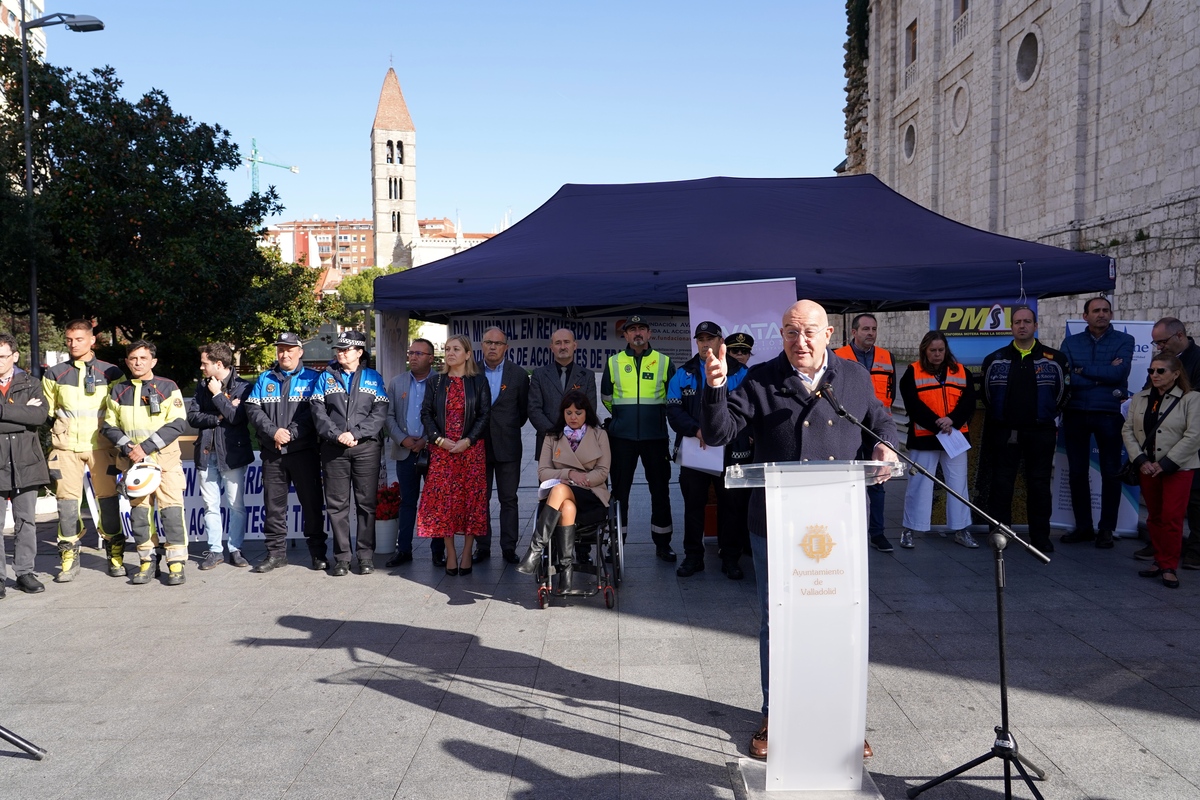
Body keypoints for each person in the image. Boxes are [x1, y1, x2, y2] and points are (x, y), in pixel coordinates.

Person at [701, 300, 898, 762]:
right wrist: (714, 389)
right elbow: (720, 432)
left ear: (829, 333)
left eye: (809, 331)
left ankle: (844, 717)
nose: (800, 340)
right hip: (777, 521)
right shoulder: (762, 378)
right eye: (791, 331)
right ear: (781, 334)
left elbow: (879, 420)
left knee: (838, 617)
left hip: (839, 519)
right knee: (780, 618)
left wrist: (886, 446)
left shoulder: (853, 376)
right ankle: (777, 712)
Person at [980, 306, 1069, 553]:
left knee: (1039, 485)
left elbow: (1062, 394)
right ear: (1011, 327)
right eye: (1017, 322)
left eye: (1027, 321)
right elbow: (987, 395)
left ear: (1035, 325)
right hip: (1005, 431)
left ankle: (1040, 537)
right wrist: (1003, 417)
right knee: (1001, 484)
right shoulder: (995, 359)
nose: (1022, 326)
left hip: (1041, 432)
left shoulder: (1055, 359)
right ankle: (1000, 534)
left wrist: (1046, 415)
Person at [99, 340, 189, 585]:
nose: (137, 363)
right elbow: (109, 425)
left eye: (142, 358)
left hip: (164, 462)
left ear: (153, 361)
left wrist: (146, 447)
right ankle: (147, 562)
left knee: (171, 512)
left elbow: (178, 422)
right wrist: (130, 448)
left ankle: (176, 563)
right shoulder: (118, 391)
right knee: (139, 515)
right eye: (133, 359)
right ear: (127, 362)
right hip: (133, 464)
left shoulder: (168, 387)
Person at [41, 319, 125, 582]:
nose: (73, 344)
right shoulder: (54, 373)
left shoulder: (112, 372)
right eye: (69, 339)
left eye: (79, 339)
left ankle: (115, 552)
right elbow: (47, 411)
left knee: (108, 500)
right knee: (66, 503)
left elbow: (121, 410)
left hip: (102, 447)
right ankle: (68, 556)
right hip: (65, 448)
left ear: (92, 340)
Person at [667, 321, 748, 579]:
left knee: (731, 506)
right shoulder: (684, 373)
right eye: (700, 339)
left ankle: (730, 558)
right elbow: (673, 410)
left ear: (719, 342)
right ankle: (693, 557)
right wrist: (698, 430)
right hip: (695, 452)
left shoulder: (741, 372)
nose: (704, 343)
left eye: (709, 338)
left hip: (731, 451)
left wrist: (719, 433)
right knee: (693, 505)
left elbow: (744, 411)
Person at [245, 332, 327, 572]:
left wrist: (289, 433)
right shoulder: (265, 378)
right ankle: (276, 554)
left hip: (303, 452)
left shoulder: (314, 378)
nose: (284, 353)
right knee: (273, 507)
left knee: (311, 505)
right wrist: (274, 432)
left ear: (300, 352)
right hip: (273, 453)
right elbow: (253, 409)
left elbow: (314, 413)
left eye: (290, 349)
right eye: (281, 349)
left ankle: (318, 554)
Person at [311, 331, 390, 576]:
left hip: (365, 448)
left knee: (366, 504)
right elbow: (317, 411)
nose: (340, 353)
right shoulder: (326, 377)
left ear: (359, 352)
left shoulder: (373, 377)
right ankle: (342, 558)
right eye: (338, 349)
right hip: (334, 448)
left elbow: (379, 412)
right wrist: (337, 435)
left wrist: (355, 433)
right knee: (337, 506)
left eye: (346, 349)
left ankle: (366, 556)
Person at [1059, 297, 1134, 549]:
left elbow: (1119, 374)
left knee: (1111, 472)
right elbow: (1068, 378)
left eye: (1105, 310)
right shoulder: (1071, 342)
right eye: (1096, 311)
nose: (1102, 314)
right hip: (1076, 412)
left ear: (1111, 314)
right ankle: (1083, 527)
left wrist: (1083, 370)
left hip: (1109, 413)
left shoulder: (1125, 340)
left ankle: (1106, 529)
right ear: (1085, 316)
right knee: (1078, 472)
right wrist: (1100, 373)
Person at [518, 390, 611, 594]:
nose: (573, 417)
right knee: (566, 503)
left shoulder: (599, 434)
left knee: (561, 489)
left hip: (590, 494)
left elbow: (603, 472)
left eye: (578, 412)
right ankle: (566, 574)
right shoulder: (552, 436)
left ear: (586, 413)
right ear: (563, 414)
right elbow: (543, 472)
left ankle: (535, 550)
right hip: (559, 498)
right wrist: (569, 473)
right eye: (568, 412)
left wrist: (580, 479)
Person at [601, 314, 676, 560]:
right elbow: (606, 398)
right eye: (632, 329)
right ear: (625, 335)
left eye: (642, 328)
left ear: (649, 334)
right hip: (622, 439)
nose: (637, 333)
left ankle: (663, 543)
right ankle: (616, 543)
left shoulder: (664, 362)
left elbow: (673, 398)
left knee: (660, 490)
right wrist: (622, 418)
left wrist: (654, 417)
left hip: (655, 438)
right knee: (620, 492)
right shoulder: (613, 362)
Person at [1123, 354, 1200, 589]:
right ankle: (1159, 559)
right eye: (1151, 370)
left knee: (1172, 518)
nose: (1154, 375)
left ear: (1176, 374)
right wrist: (1140, 459)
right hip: (1147, 467)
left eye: (1160, 371)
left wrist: (1166, 463)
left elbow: (1194, 435)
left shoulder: (1191, 398)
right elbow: (1128, 430)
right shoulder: (1140, 398)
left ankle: (1169, 566)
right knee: (1155, 516)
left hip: (1178, 468)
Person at [418, 334, 491, 576]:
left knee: (471, 502)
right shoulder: (436, 382)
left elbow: (484, 415)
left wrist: (467, 441)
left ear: (468, 354)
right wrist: (439, 440)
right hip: (442, 452)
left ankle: (468, 550)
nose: (450, 353)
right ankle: (450, 551)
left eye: (456, 349)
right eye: (448, 349)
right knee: (445, 504)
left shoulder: (479, 382)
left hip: (471, 452)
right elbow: (426, 414)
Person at [898, 332, 978, 549]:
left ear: (946, 350)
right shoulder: (912, 372)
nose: (936, 354)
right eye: (932, 350)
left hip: (954, 436)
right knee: (919, 484)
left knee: (958, 485)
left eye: (940, 350)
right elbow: (913, 405)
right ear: (925, 350)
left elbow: (969, 400)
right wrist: (938, 423)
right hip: (925, 437)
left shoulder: (961, 371)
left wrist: (952, 420)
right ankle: (910, 529)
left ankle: (961, 530)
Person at [1137, 318, 1200, 567]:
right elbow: (1148, 390)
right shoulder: (1158, 363)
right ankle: (1159, 546)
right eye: (1156, 342)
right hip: (1156, 442)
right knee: (1158, 504)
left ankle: (1195, 548)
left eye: (1163, 341)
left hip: (1188, 441)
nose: (1159, 346)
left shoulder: (1197, 359)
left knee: (1194, 499)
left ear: (1180, 336)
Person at [187, 342, 253, 570]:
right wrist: (220, 415)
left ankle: (235, 549)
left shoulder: (243, 387)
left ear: (218, 363)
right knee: (210, 505)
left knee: (236, 505)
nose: (201, 367)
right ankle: (215, 551)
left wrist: (217, 396)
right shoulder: (201, 385)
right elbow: (193, 417)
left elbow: (237, 418)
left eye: (205, 363)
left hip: (232, 453)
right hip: (206, 452)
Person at [834, 312, 897, 552]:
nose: (870, 333)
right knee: (845, 481)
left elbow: (890, 392)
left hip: (875, 428)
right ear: (853, 332)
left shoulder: (886, 357)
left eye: (873, 329)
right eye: (865, 329)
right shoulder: (836, 356)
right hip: (846, 425)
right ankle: (845, 530)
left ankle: (877, 534)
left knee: (877, 480)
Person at [0, 333, 50, 595]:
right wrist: (22, 413)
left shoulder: (31, 383)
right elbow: (28, 417)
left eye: (3, 357)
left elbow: (39, 416)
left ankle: (25, 572)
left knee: (26, 521)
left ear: (14, 356)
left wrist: (2, 412)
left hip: (27, 462)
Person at [476, 327, 529, 563]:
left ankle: (509, 548)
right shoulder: (470, 372)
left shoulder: (518, 374)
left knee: (509, 499)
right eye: (489, 342)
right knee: (481, 499)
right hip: (477, 446)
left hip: (508, 445)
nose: (493, 347)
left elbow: (524, 411)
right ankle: (483, 547)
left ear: (506, 347)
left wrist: (506, 427)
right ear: (482, 346)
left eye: (498, 343)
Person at [385, 338, 435, 567]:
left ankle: (438, 551)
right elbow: (388, 416)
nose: (413, 357)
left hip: (433, 452)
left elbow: (443, 418)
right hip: (405, 451)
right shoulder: (397, 383)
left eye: (419, 353)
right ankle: (403, 549)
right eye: (411, 352)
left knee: (435, 502)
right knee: (407, 502)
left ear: (431, 358)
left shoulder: (440, 382)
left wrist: (425, 440)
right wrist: (403, 439)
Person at [528, 327, 597, 462]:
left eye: (567, 342)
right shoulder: (539, 374)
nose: (563, 347)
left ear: (574, 345)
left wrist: (572, 434)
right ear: (551, 347)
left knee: (576, 483)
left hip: (579, 445)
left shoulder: (587, 375)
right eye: (558, 343)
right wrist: (555, 434)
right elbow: (533, 409)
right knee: (549, 483)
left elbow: (590, 409)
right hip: (547, 442)